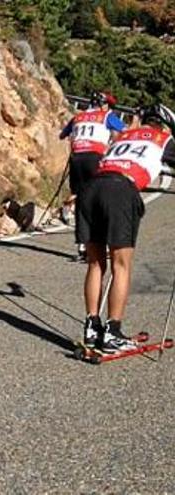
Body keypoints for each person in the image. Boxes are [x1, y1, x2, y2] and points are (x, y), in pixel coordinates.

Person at [78, 103, 175, 352]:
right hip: (121, 190)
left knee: (96, 262)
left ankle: (92, 327)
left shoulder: (124, 136)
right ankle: (113, 331)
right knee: (121, 265)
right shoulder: (163, 139)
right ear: (165, 125)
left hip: (91, 188)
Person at [60, 91, 126, 261]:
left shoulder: (79, 116)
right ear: (105, 105)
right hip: (95, 157)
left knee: (81, 199)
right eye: (108, 105)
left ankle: (82, 246)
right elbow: (122, 133)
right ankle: (99, 246)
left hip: (77, 158)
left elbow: (63, 135)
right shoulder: (107, 115)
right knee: (98, 200)